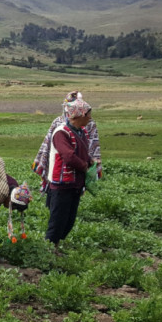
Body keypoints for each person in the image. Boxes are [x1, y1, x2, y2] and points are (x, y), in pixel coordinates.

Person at [44, 97, 95, 249]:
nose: (90, 118)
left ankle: (56, 246)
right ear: (79, 115)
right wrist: (85, 167)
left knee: (69, 219)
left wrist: (90, 160)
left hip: (75, 183)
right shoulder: (61, 133)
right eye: (88, 115)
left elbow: (82, 151)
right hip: (62, 183)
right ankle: (49, 249)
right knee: (58, 219)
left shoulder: (81, 132)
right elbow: (69, 156)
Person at [33, 91, 102, 194]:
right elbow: (67, 155)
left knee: (71, 201)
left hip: (74, 177)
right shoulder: (59, 126)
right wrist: (85, 165)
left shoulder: (87, 124)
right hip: (61, 177)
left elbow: (90, 145)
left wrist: (89, 161)